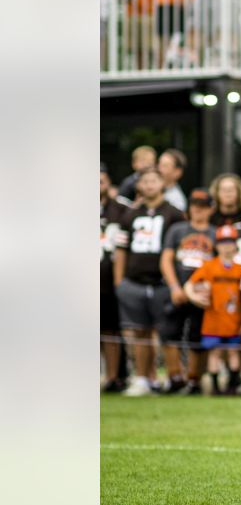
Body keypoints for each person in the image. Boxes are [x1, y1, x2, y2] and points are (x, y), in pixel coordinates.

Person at [113, 168, 187, 396]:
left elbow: (180, 251)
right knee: (140, 332)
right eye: (145, 181)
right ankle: (143, 378)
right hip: (134, 282)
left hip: (162, 283)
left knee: (166, 332)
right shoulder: (130, 214)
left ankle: (173, 377)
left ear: (162, 183)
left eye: (154, 180)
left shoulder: (174, 214)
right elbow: (121, 249)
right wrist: (119, 283)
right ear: (139, 186)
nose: (149, 185)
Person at [159, 188, 216, 394]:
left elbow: (218, 265)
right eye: (195, 206)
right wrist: (175, 287)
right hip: (177, 290)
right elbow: (166, 260)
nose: (198, 211)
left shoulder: (214, 233)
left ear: (211, 209)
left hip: (202, 294)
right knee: (168, 333)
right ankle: (174, 377)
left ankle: (194, 380)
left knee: (198, 336)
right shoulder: (177, 230)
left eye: (203, 207)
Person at [183, 225, 241, 394]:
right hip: (214, 318)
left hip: (233, 318)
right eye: (223, 242)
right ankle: (215, 387)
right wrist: (195, 298)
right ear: (217, 245)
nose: (227, 246)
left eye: (230, 242)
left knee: (234, 352)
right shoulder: (209, 266)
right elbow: (190, 284)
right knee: (215, 353)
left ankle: (232, 386)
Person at [101, 165, 131, 392]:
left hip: (107, 281)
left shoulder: (121, 209)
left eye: (101, 180)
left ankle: (113, 378)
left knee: (111, 330)